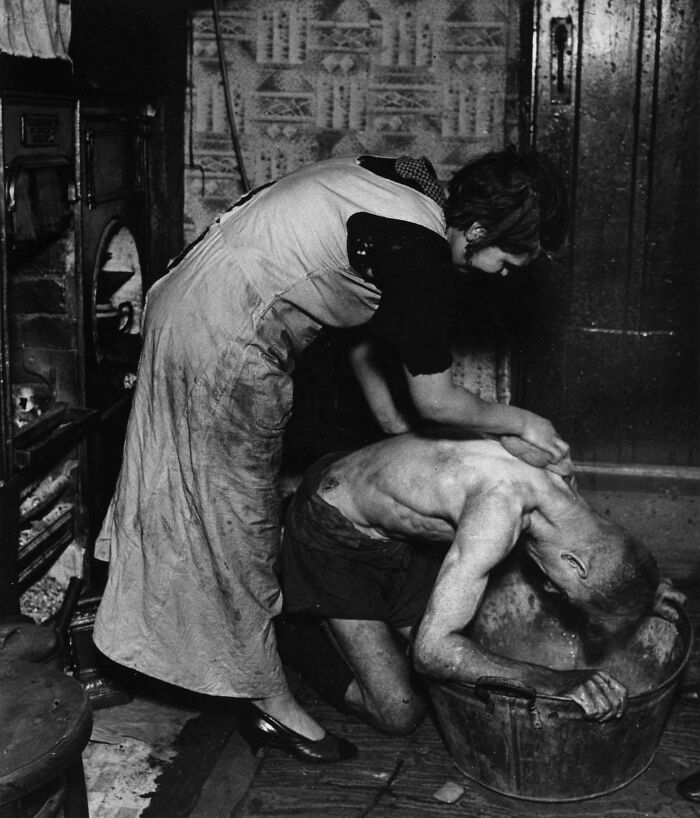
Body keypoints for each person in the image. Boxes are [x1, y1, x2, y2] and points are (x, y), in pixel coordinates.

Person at [92, 150, 571, 763]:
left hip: (189, 300)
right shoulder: (420, 250)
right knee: (236, 518)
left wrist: (399, 431)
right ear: (477, 233)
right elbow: (437, 397)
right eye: (507, 259)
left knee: (191, 491)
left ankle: (231, 647)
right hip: (224, 334)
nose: (503, 274)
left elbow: (368, 346)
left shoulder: (407, 187)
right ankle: (268, 703)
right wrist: (522, 420)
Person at [278, 432, 684, 734]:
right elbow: (431, 654)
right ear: (576, 565)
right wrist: (555, 680)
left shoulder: (561, 480)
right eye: (565, 591)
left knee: (480, 653)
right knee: (401, 709)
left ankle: (355, 614)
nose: (551, 592)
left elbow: (612, 547)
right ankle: (290, 623)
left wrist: (642, 591)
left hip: (394, 534)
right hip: (332, 531)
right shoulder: (497, 512)